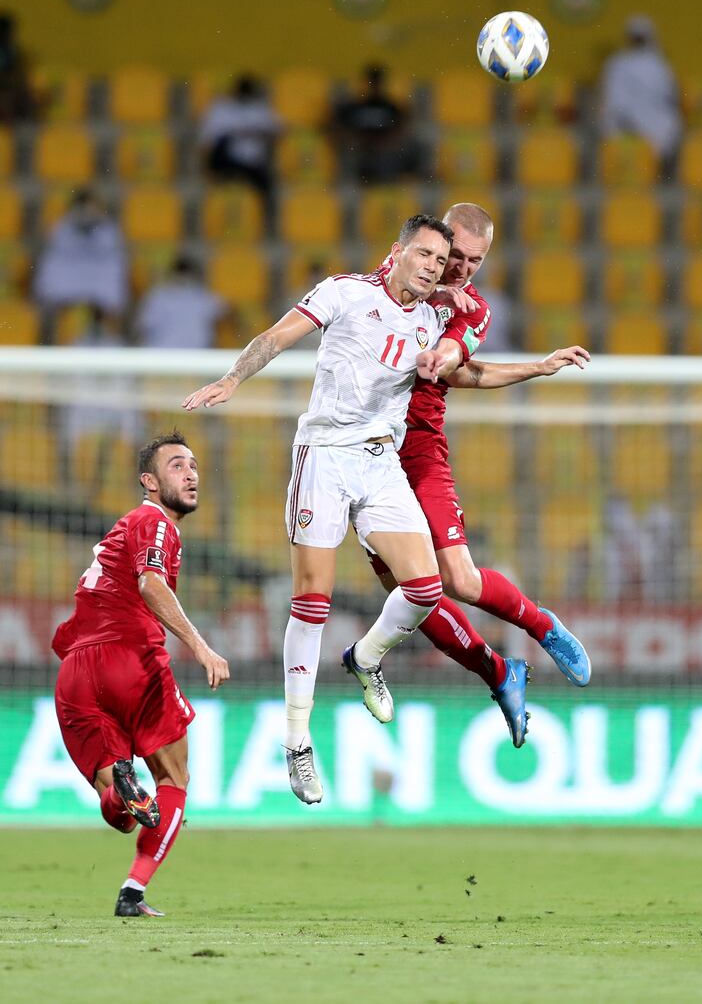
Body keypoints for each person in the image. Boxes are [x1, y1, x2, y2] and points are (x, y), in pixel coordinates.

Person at [183, 215, 483, 805]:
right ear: (395, 252)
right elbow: (276, 336)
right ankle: (296, 739)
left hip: (381, 463)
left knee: (425, 589)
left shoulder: (433, 322)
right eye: (421, 252)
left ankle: (366, 657)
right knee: (312, 599)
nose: (429, 265)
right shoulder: (346, 293)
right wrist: (233, 377)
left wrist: (538, 366)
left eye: (438, 258)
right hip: (324, 457)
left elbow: (471, 370)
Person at [369, 203, 592, 748]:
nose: (462, 269)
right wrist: (436, 297)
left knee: (461, 581)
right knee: (410, 594)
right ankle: (498, 674)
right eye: (455, 257)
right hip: (366, 453)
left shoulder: (476, 311)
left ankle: (543, 628)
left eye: (475, 261)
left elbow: (452, 362)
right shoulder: (396, 272)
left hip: (418, 451)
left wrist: (535, 366)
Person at [52, 432, 230, 917]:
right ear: (149, 482)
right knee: (175, 777)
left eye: (194, 465)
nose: (191, 473)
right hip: (129, 658)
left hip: (75, 675)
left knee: (121, 810)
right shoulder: (154, 522)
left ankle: (123, 791)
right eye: (176, 466)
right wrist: (201, 646)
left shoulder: (126, 527)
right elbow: (150, 584)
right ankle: (133, 892)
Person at [32, 187, 128, 345]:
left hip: (98, 282)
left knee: (113, 277)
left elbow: (113, 258)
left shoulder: (109, 231)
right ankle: (57, 341)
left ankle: (104, 337)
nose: (86, 213)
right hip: (68, 282)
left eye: (91, 208)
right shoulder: (60, 228)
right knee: (52, 280)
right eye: (83, 208)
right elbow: (54, 258)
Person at [199, 73, 283, 225]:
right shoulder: (221, 108)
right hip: (226, 160)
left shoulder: (259, 109)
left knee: (267, 185)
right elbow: (208, 139)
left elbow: (278, 129)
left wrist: (254, 132)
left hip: (253, 162)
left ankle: (266, 221)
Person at [600, 14, 681, 161]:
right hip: (623, 122)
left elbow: (670, 96)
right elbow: (614, 99)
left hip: (656, 121)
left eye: (640, 37)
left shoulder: (660, 65)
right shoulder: (618, 63)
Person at [331, 64, 421, 182]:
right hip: (360, 152)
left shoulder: (391, 107)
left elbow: (401, 130)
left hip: (384, 153)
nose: (373, 86)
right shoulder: (353, 107)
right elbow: (339, 129)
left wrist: (383, 142)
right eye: (371, 83)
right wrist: (359, 141)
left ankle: (389, 184)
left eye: (377, 83)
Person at [136, 254, 225, 349]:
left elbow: (143, 329)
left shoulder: (157, 295)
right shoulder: (203, 296)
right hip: (194, 356)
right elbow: (229, 311)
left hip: (163, 354)